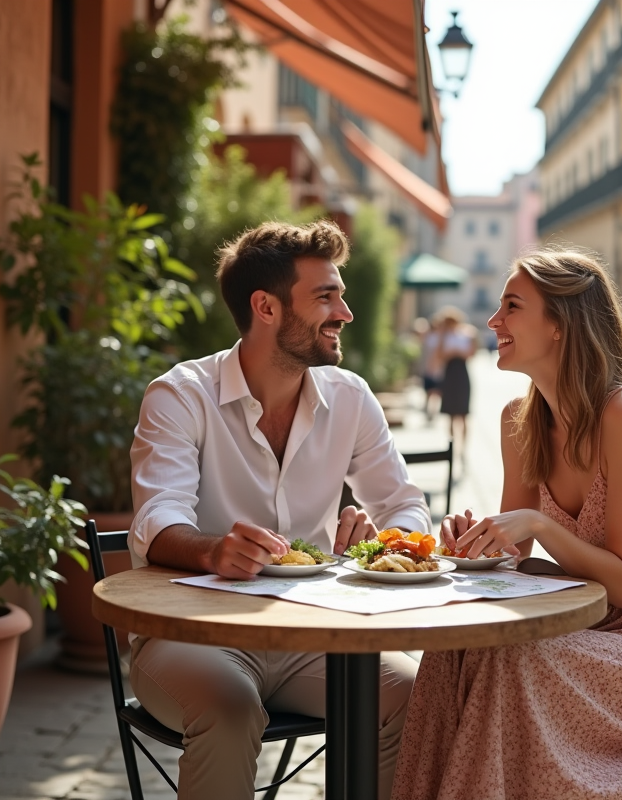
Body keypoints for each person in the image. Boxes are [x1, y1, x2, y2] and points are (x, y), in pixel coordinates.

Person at [391, 250, 622, 800]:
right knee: (453, 649)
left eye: (511, 306)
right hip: (580, 625)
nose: (492, 321)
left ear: (559, 325)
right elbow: (515, 556)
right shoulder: (518, 421)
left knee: (512, 662)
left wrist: (538, 526)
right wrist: (477, 542)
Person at [127, 220, 430, 800]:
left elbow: (403, 503)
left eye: (340, 295)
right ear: (265, 307)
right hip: (192, 635)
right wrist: (212, 550)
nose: (344, 312)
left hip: (315, 635)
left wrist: (388, 542)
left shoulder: (350, 397)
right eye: (325, 296)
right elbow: (156, 518)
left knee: (413, 694)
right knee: (231, 707)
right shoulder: (180, 395)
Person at [435, 307, 478, 460]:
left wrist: (456, 353)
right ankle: (453, 446)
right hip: (450, 373)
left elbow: (472, 353)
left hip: (461, 372)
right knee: (451, 414)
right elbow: (439, 355)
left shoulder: (466, 334)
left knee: (463, 413)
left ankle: (463, 448)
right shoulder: (443, 336)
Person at [419, 313, 444, 422]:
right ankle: (427, 409)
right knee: (428, 391)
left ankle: (433, 411)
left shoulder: (441, 337)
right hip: (428, 366)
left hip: (439, 368)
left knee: (436, 392)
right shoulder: (428, 336)